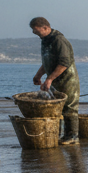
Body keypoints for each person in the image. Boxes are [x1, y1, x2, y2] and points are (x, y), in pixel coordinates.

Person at [30, 17, 81, 145]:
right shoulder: (45, 40)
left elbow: (64, 63)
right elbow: (47, 61)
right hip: (55, 80)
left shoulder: (59, 40)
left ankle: (73, 136)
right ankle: (58, 135)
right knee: (56, 108)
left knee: (69, 107)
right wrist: (38, 76)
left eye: (36, 31)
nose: (34, 33)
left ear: (45, 28)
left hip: (67, 79)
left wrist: (49, 79)